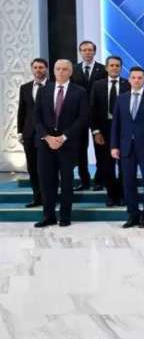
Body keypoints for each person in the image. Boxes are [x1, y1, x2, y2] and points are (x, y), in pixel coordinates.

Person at [34, 60, 89, 227]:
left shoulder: (80, 92)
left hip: (68, 144)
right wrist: (47, 137)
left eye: (65, 69)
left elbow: (82, 118)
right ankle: (48, 216)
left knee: (66, 182)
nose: (60, 72)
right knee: (46, 182)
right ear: (53, 70)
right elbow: (36, 118)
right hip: (46, 145)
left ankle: (65, 216)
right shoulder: (43, 90)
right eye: (58, 68)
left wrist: (64, 137)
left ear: (71, 72)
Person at [111, 66, 144, 228]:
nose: (136, 80)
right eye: (133, 77)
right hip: (126, 147)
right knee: (128, 182)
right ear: (129, 80)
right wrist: (114, 146)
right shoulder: (121, 98)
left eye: (139, 78)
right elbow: (116, 124)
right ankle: (133, 214)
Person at [89, 56, 129, 206]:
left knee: (124, 164)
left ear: (121, 68)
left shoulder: (128, 84)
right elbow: (92, 109)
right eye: (111, 65)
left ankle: (123, 195)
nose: (114, 68)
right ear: (106, 68)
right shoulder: (97, 85)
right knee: (106, 165)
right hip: (103, 131)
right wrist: (96, 131)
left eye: (117, 65)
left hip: (124, 130)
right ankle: (111, 195)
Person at [71, 41, 105, 191]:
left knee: (101, 149)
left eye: (90, 50)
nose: (87, 52)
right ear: (80, 52)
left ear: (94, 52)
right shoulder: (73, 69)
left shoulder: (103, 69)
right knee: (80, 149)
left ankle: (99, 180)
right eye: (84, 50)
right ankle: (84, 180)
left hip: (98, 114)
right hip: (79, 115)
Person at [17, 58, 48, 208]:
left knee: (47, 167)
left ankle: (50, 197)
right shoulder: (25, 87)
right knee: (32, 167)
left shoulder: (53, 86)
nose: (38, 70)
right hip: (29, 133)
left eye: (41, 67)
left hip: (48, 133)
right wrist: (19, 131)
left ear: (46, 69)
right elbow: (21, 111)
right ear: (32, 69)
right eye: (35, 67)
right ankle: (37, 197)